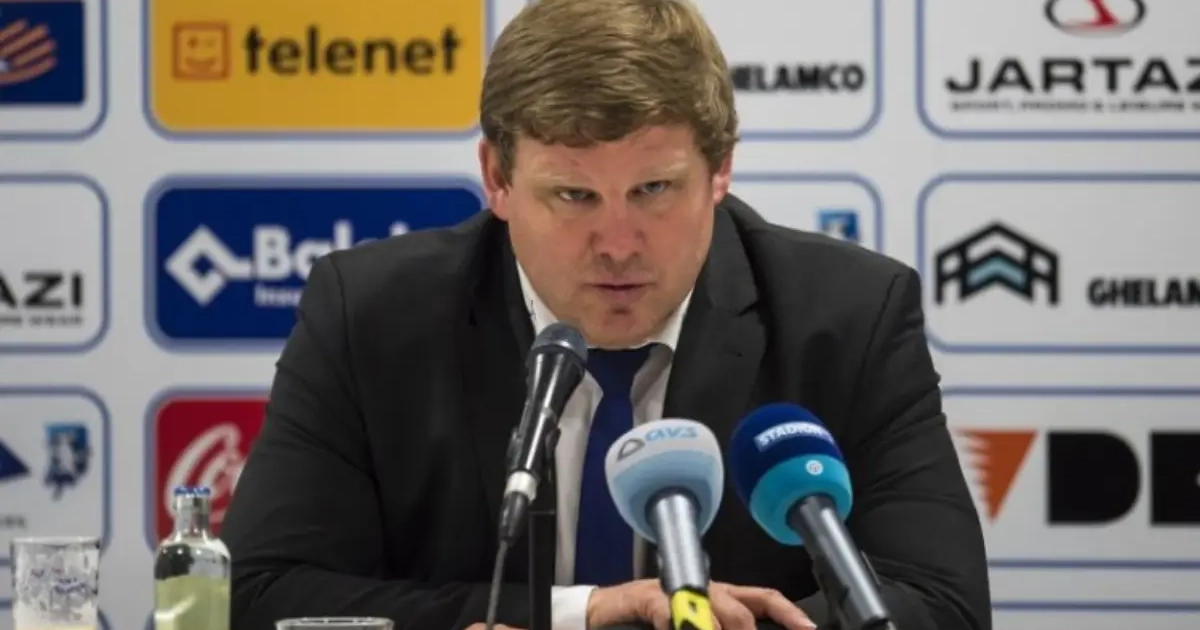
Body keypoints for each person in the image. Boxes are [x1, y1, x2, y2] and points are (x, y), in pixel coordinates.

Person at [220, 0, 992, 629]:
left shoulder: (849, 318)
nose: (618, 244)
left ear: (719, 170)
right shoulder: (371, 316)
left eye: (654, 190)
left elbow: (941, 604)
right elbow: (255, 595)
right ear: (497, 178)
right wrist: (581, 615)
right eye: (574, 195)